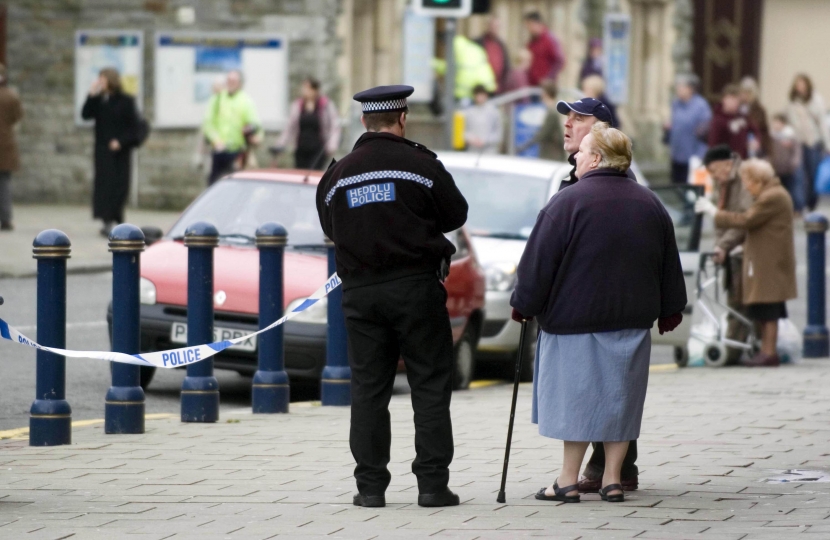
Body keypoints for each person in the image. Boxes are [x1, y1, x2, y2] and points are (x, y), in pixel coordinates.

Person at [511, 122, 686, 503]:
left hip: (574, 321)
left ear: (597, 158)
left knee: (576, 399)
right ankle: (611, 479)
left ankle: (567, 480)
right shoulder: (649, 203)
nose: (575, 156)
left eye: (582, 150)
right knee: (620, 399)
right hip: (631, 321)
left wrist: (523, 303)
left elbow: (539, 262)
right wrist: (670, 309)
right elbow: (668, 262)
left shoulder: (567, 202)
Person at [315, 85, 468, 509]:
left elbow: (330, 224)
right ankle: (433, 486)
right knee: (430, 386)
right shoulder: (422, 165)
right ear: (402, 119)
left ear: (364, 121)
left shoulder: (338, 175)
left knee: (368, 389)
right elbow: (457, 213)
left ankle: (370, 488)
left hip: (361, 295)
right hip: (416, 288)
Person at [554, 97, 642, 493]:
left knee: (601, 383)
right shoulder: (569, 179)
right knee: (605, 382)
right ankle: (614, 470)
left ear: (602, 132)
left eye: (579, 118)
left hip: (600, 305)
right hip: (581, 303)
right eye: (567, 118)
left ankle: (610, 469)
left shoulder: (620, 185)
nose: (568, 124)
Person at [696, 159, 797, 367]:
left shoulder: (771, 197)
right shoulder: (771, 194)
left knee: (770, 310)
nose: (746, 186)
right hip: (768, 262)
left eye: (747, 181)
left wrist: (714, 213)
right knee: (764, 309)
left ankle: (769, 353)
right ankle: (765, 350)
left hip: (770, 264)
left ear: (758, 179)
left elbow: (746, 220)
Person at [703, 145, 753, 364]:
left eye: (714, 170)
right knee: (735, 298)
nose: (714, 176)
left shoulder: (743, 178)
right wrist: (720, 245)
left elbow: (742, 218)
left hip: (744, 249)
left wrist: (723, 245)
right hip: (731, 247)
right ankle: (738, 347)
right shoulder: (722, 181)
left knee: (739, 300)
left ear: (726, 163)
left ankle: (733, 351)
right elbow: (720, 220)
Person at [81, 67, 140, 237]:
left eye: (103, 79)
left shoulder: (126, 100)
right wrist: (91, 94)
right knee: (104, 186)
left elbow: (134, 127)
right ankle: (107, 220)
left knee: (120, 186)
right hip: (103, 151)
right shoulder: (99, 100)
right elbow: (85, 114)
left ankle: (117, 218)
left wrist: (121, 141)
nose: (100, 82)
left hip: (120, 152)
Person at [202, 70, 262, 185]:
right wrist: (216, 140)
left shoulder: (246, 101)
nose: (230, 83)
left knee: (236, 186)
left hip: (237, 153)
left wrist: (254, 134)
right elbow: (208, 122)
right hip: (218, 151)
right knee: (214, 185)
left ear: (240, 84)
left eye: (233, 81)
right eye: (228, 80)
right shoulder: (218, 98)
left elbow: (255, 124)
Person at [273, 77, 341, 170]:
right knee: (300, 173)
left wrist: (332, 145)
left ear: (315, 90)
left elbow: (334, 126)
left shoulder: (325, 105)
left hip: (318, 149)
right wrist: (281, 144)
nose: (304, 91)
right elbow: (290, 127)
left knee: (313, 172)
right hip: (301, 148)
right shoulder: (298, 105)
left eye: (307, 88)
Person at [787, 74, 830, 212]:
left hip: (814, 141)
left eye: (802, 83)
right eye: (798, 84)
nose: (800, 87)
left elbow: (822, 123)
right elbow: (791, 123)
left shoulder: (815, 100)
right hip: (799, 143)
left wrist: (828, 144)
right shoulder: (792, 101)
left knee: (813, 173)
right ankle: (802, 204)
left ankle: (812, 203)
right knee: (800, 175)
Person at [667, 74, 712, 184]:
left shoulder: (701, 105)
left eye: (681, 87)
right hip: (677, 154)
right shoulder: (676, 104)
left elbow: (706, 128)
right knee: (676, 185)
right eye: (677, 87)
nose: (678, 89)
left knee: (691, 187)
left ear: (690, 89)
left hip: (694, 155)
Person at [708, 84, 760, 160]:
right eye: (731, 99)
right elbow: (713, 144)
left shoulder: (743, 117)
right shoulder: (718, 120)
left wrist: (756, 140)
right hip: (725, 162)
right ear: (724, 99)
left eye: (737, 99)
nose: (734, 102)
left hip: (742, 159)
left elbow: (755, 129)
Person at [517, 80, 565, 161]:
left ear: (545, 93)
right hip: (551, 153)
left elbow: (542, 134)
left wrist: (523, 146)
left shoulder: (552, 112)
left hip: (552, 154)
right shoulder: (552, 110)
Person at [0, 63, 23, 232]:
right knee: (5, 182)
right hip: (6, 143)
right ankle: (6, 218)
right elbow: (18, 116)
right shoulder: (11, 96)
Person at [524, 11, 566, 86]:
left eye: (530, 25)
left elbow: (560, 60)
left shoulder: (550, 40)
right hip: (532, 86)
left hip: (546, 87)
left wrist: (549, 78)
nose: (528, 29)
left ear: (537, 24)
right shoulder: (531, 43)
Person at [770, 112, 801, 208]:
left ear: (783, 123)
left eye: (778, 122)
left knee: (791, 190)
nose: (775, 125)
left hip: (788, 169)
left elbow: (796, 152)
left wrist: (794, 163)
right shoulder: (771, 136)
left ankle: (795, 208)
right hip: (775, 169)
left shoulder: (790, 136)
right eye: (774, 122)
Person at [475, 16, 511, 94]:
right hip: (482, 88)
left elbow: (506, 66)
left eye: (496, 27)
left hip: (498, 88)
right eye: (492, 26)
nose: (494, 29)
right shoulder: (479, 43)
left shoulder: (501, 45)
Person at [463, 85, 503, 154]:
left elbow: (498, 134)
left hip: (490, 151)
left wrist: (485, 141)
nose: (479, 97)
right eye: (477, 95)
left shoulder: (494, 112)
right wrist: (472, 139)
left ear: (486, 95)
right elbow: (463, 132)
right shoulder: (468, 112)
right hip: (472, 150)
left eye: (481, 94)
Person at [739, 77, 771, 158]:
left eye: (748, 92)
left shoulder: (759, 110)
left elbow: (763, 130)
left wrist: (759, 143)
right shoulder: (737, 108)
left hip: (755, 147)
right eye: (743, 92)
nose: (745, 95)